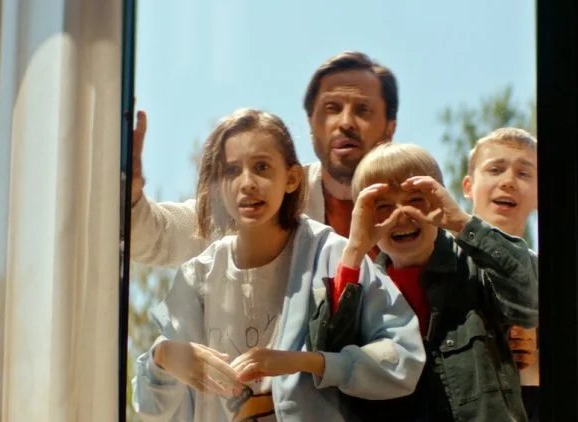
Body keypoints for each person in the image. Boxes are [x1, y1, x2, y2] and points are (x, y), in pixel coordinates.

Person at [131, 110, 425, 422]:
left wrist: (308, 362)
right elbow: (159, 417)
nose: (247, 183)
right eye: (231, 171)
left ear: (292, 178)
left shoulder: (332, 256)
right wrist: (163, 357)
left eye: (261, 167)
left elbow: (404, 358)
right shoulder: (197, 277)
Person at [310, 142, 538, 422]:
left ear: (439, 199)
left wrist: (461, 223)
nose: (402, 214)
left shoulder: (475, 269)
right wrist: (354, 250)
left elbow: (530, 302)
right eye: (382, 206)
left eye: (416, 200)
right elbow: (329, 362)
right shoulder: (361, 284)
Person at [128, 51, 398, 267]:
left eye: (363, 110)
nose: (346, 122)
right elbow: (158, 237)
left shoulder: (413, 204)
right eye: (332, 108)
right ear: (311, 123)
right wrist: (131, 195)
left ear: (389, 128)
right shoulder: (269, 197)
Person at [462, 127, 540, 422]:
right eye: (495, 169)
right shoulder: (439, 261)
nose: (508, 181)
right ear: (468, 186)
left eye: (524, 173)